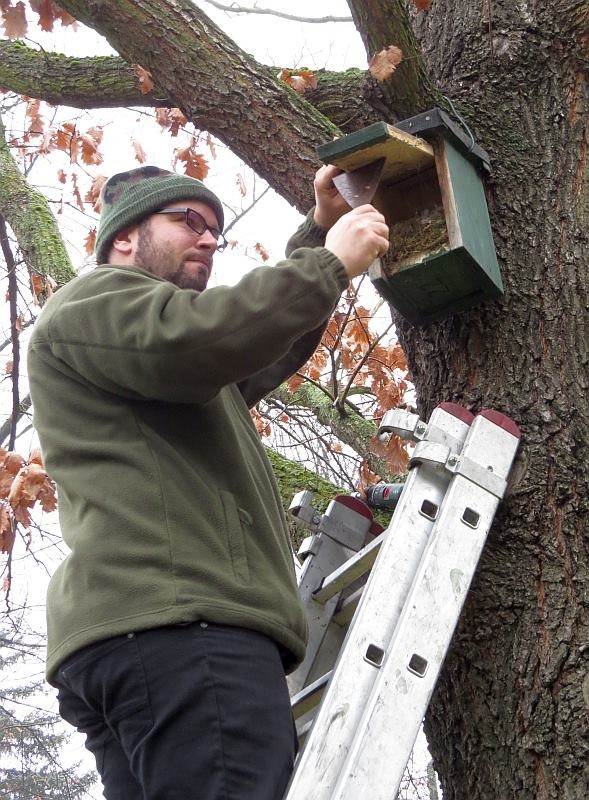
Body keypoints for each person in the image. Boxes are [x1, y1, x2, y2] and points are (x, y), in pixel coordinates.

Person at [27, 164, 389, 800]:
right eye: (187, 221)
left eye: (216, 230)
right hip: (184, 627)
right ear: (123, 239)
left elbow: (254, 343)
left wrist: (318, 232)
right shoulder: (97, 300)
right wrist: (328, 265)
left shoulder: (159, 359)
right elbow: (202, 338)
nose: (209, 238)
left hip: (147, 636)